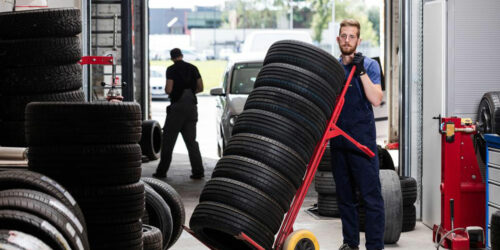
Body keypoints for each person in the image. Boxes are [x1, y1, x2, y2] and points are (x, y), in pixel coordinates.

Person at [330, 19, 385, 250]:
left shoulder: (370, 66)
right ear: (337, 39)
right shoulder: (332, 69)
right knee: (345, 198)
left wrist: (360, 71)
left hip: (362, 143)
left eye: (352, 36)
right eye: (343, 35)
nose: (347, 40)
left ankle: (374, 246)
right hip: (338, 142)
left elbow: (376, 99)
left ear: (359, 40)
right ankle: (350, 243)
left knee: (371, 198)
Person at [153, 48, 205, 179]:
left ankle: (162, 171)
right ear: (181, 55)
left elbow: (168, 89)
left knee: (168, 141)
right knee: (192, 142)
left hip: (177, 108)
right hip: (192, 107)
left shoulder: (171, 69)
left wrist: (173, 91)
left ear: (172, 58)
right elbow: (201, 88)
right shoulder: (193, 68)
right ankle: (198, 171)